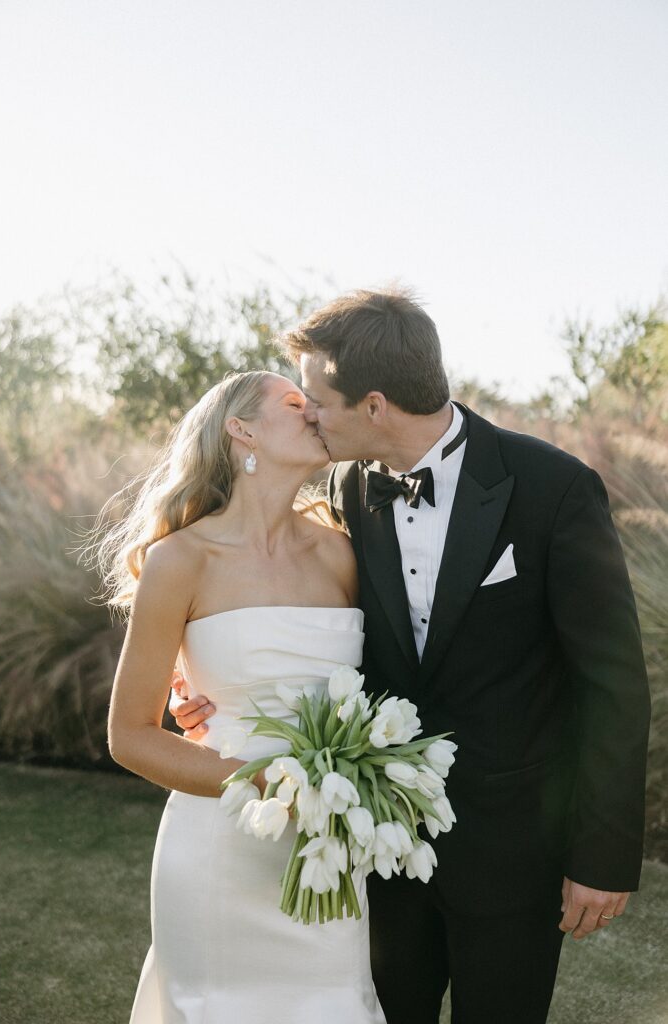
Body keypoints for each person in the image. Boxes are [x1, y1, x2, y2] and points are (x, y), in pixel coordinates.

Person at [174, 290, 651, 1024]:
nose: (305, 413)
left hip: (513, 847)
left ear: (372, 406)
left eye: (314, 399)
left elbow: (612, 683)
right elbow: (306, 622)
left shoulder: (551, 489)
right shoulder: (342, 489)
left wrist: (602, 858)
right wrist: (211, 688)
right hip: (375, 848)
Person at [99, 370, 386, 1023]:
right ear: (240, 428)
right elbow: (129, 735)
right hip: (219, 844)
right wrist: (263, 782)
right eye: (293, 402)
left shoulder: (342, 555)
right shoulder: (181, 561)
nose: (314, 411)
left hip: (327, 844)